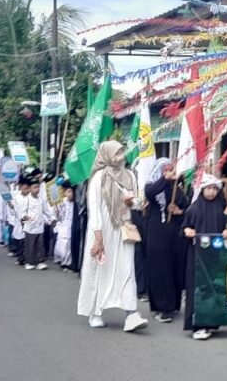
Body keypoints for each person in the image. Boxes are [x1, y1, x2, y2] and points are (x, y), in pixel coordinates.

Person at [77, 140, 149, 333]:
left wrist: (132, 202)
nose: (121, 157)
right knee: (100, 269)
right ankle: (95, 312)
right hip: (102, 230)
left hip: (124, 228)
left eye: (121, 152)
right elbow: (94, 209)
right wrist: (98, 237)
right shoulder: (99, 177)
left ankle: (131, 314)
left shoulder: (129, 175)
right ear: (107, 155)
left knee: (127, 269)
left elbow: (138, 203)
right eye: (116, 153)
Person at [182, 173, 227, 340]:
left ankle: (210, 321)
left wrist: (226, 231)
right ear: (202, 189)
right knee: (197, 288)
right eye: (208, 188)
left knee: (212, 286)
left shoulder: (219, 209)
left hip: (214, 255)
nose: (212, 192)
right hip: (196, 255)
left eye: (214, 189)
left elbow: (223, 227)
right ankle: (197, 325)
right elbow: (184, 227)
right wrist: (187, 231)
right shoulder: (194, 208)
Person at [144, 158, 189, 323]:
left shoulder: (176, 188)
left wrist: (179, 211)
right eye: (165, 170)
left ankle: (172, 304)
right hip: (157, 232)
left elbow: (186, 207)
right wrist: (165, 179)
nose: (169, 172)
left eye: (171, 169)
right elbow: (150, 193)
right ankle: (161, 306)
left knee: (173, 267)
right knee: (159, 267)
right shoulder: (152, 185)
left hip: (174, 233)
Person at [17, 177, 56, 271]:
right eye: (35, 187)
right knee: (30, 245)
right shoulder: (26, 199)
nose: (37, 189)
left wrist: (52, 219)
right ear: (30, 188)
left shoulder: (41, 199)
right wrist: (25, 217)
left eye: (38, 187)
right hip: (30, 226)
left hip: (39, 226)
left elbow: (46, 210)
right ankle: (29, 262)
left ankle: (40, 262)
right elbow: (22, 212)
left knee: (40, 245)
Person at [7, 175, 32, 264]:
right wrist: (11, 207)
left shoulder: (31, 198)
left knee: (26, 242)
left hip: (28, 222)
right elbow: (13, 212)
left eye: (28, 189)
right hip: (19, 223)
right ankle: (20, 258)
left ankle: (26, 258)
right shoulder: (16, 198)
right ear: (20, 188)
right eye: (25, 188)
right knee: (20, 241)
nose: (27, 190)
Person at [53, 182, 75, 271]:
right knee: (61, 245)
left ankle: (66, 263)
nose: (70, 194)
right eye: (68, 192)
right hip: (63, 226)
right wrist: (56, 213)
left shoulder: (75, 203)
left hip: (70, 227)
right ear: (64, 192)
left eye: (71, 192)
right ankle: (60, 259)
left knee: (67, 246)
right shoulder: (62, 202)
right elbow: (59, 215)